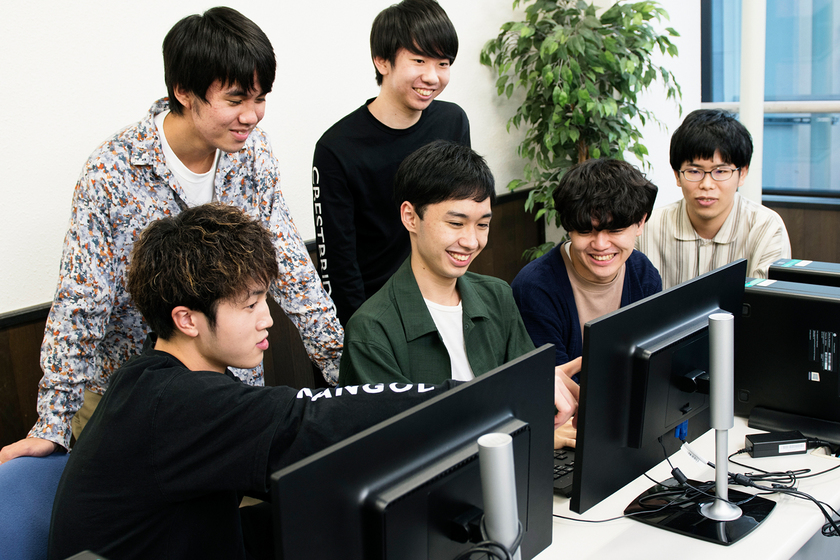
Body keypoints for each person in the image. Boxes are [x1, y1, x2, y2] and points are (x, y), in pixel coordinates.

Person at [48, 203, 578, 560]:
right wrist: (483, 398)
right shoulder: (176, 402)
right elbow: (313, 417)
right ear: (187, 319)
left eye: (265, 299)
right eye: (250, 305)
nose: (268, 319)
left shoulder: (149, 379)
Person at [0, 7, 342, 465]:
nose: (251, 116)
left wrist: (345, 373)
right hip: (131, 399)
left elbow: (292, 269)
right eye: (236, 99)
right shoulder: (112, 171)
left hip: (227, 389)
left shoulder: (253, 154)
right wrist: (53, 422)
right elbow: (81, 303)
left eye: (260, 98)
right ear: (183, 91)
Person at [339, 140, 580, 414]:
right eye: (456, 223)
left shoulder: (498, 296)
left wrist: (540, 387)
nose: (471, 241)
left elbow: (526, 394)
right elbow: (400, 434)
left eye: (483, 225)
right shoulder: (371, 330)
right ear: (410, 217)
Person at [312, 0, 470, 326]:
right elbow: (338, 263)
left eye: (443, 63)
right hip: (378, 313)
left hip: (443, 298)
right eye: (419, 60)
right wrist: (362, 333)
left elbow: (463, 214)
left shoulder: (452, 122)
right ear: (382, 61)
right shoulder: (337, 148)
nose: (432, 77)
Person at [511, 159, 662, 447]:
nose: (601, 244)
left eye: (614, 230)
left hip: (631, 424)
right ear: (569, 228)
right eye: (586, 231)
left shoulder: (643, 273)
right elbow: (554, 394)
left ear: (640, 223)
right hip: (570, 434)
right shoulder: (535, 288)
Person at [636, 109, 791, 289]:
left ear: (742, 173)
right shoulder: (646, 228)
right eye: (694, 171)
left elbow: (768, 301)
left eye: (721, 171)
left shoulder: (765, 228)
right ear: (677, 175)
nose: (707, 184)